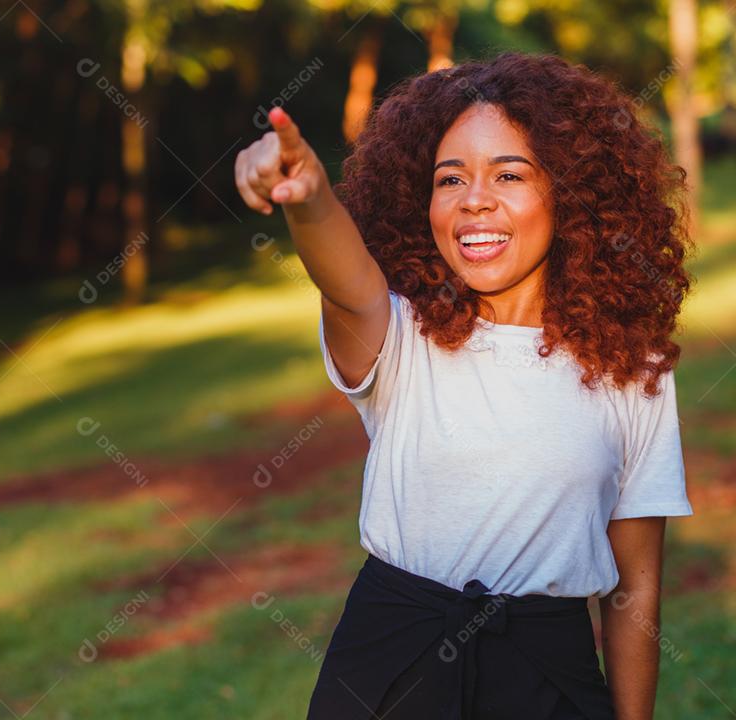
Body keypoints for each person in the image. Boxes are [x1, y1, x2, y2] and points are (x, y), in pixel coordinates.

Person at [234, 51, 695, 720]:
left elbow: (637, 588)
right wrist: (307, 198)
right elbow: (344, 278)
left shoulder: (631, 362)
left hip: (551, 677)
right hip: (389, 667)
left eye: (509, 173)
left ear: (568, 192)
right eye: (450, 179)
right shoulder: (397, 334)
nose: (475, 198)